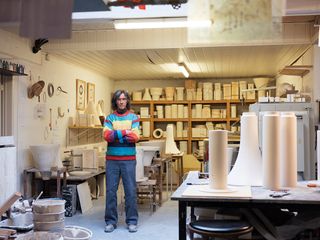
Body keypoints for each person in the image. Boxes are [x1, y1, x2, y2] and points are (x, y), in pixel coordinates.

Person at [103, 90, 140, 233]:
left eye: (124, 99)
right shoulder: (109, 118)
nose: (121, 102)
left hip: (129, 160)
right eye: (119, 99)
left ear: (127, 101)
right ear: (115, 101)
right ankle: (110, 221)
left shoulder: (133, 117)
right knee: (111, 191)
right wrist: (125, 132)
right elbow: (107, 136)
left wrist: (116, 134)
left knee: (130, 191)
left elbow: (135, 137)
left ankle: (132, 221)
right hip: (112, 160)